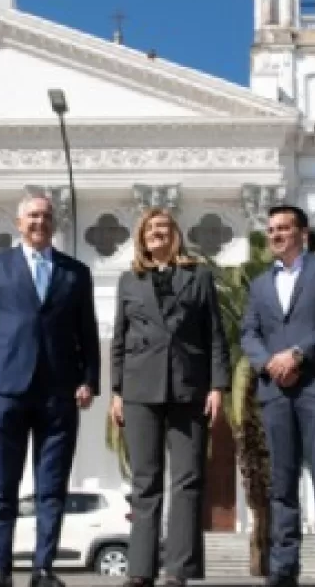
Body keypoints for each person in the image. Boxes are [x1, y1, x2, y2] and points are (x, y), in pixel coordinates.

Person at [0, 193, 100, 587]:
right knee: (0, 486)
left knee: (51, 487)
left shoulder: (75, 272)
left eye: (46, 216)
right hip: (3, 389)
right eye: (33, 216)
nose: (40, 222)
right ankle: (1, 571)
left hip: (58, 391)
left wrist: (90, 379)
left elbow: (86, 331)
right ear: (20, 223)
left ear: (53, 223)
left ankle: (42, 569)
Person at [110, 207, 231, 587]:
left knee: (188, 478)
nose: (158, 233)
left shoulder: (199, 277)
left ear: (175, 234)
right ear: (142, 238)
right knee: (145, 480)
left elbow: (214, 334)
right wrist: (116, 391)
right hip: (140, 387)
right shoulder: (129, 281)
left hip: (188, 385)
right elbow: (119, 339)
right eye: (151, 229)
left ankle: (179, 569)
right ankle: (140, 569)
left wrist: (217, 386)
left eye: (164, 227)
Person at [240, 205, 315, 587]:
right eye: (271, 229)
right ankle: (283, 565)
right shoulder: (258, 285)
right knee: (282, 482)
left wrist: (299, 354)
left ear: (303, 233)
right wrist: (268, 362)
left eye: (283, 228)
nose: (275, 235)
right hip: (275, 391)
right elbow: (249, 334)